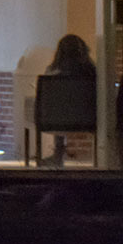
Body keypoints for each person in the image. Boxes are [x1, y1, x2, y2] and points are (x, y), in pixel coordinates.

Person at [38, 33, 95, 167]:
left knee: (59, 109)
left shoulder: (51, 73)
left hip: (56, 119)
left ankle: (58, 153)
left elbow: (47, 101)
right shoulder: (92, 74)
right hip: (87, 119)